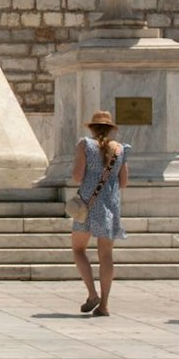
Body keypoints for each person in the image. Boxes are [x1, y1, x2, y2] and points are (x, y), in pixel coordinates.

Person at [70, 110, 130, 316]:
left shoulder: (85, 145)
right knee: (106, 254)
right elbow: (124, 182)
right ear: (111, 128)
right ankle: (104, 305)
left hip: (88, 203)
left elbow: (77, 176)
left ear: (92, 128)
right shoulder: (121, 149)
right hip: (110, 205)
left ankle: (92, 293)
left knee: (79, 249)